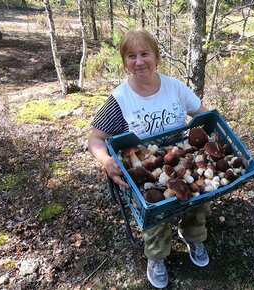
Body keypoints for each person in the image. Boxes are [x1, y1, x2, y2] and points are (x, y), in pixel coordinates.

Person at [87, 28, 210, 289]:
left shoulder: (175, 88)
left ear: (157, 57)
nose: (139, 61)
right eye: (131, 56)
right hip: (144, 167)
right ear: (125, 63)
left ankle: (193, 235)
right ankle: (156, 255)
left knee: (200, 197)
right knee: (154, 210)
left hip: (181, 158)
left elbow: (202, 115)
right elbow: (95, 139)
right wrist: (106, 162)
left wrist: (213, 134)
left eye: (145, 54)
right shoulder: (120, 99)